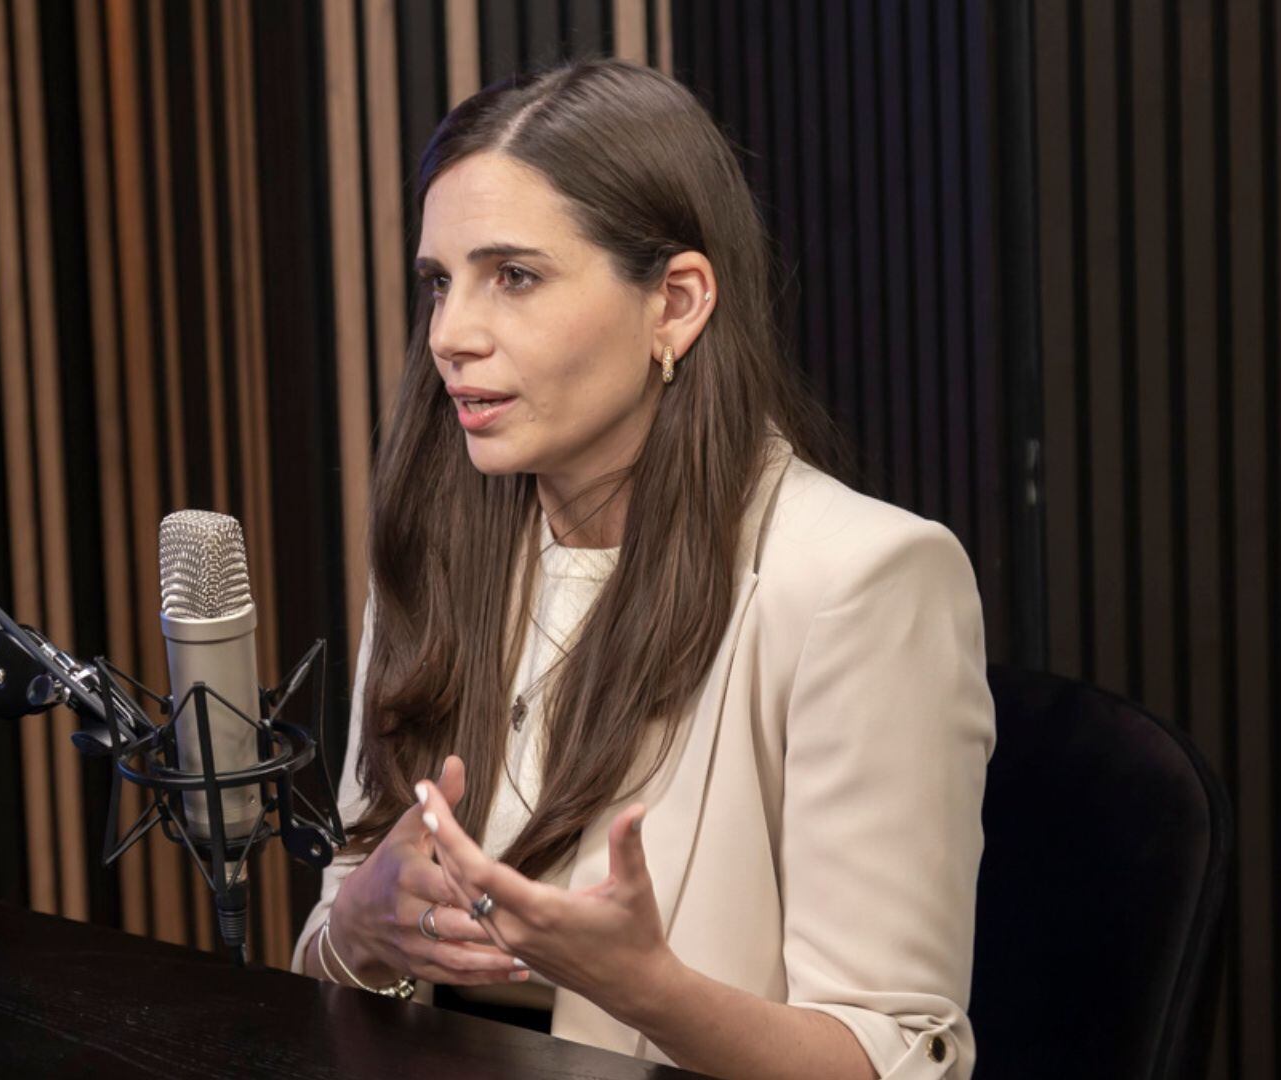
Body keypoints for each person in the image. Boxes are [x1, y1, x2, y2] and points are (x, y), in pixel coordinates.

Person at [289, 58, 995, 1080]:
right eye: (440, 283)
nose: (450, 334)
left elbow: (893, 1059)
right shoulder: (438, 546)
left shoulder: (867, 579)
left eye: (514, 277)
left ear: (676, 303)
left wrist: (645, 988)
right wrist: (358, 927)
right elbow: (335, 959)